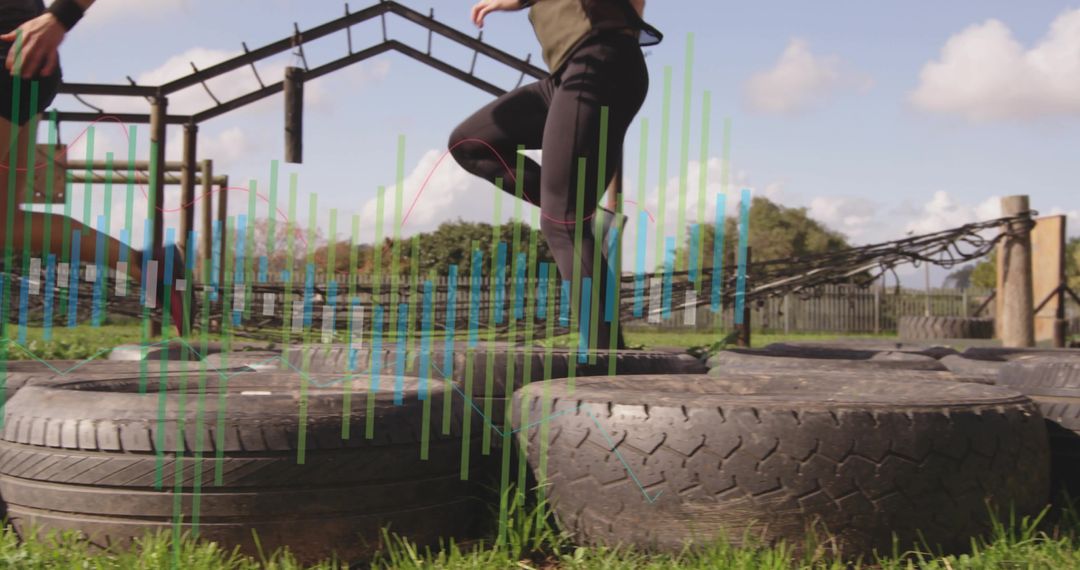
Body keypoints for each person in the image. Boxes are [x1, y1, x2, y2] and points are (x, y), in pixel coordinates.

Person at [449, 0, 660, 349]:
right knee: (470, 143)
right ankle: (587, 218)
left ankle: (606, 358)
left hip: (600, 64)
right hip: (566, 76)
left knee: (563, 224)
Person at [1, 0, 187, 333]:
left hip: (12, 59)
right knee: (4, 222)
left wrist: (61, 17)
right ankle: (150, 268)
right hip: (26, 62)